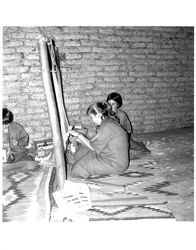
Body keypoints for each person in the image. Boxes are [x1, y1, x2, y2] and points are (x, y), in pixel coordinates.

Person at [67, 102, 129, 178]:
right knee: (82, 151)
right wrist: (81, 138)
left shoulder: (107, 127)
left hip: (115, 163)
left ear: (99, 115)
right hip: (109, 155)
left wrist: (79, 135)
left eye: (92, 117)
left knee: (79, 167)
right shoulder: (107, 121)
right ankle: (72, 161)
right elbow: (94, 139)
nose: (91, 120)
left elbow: (93, 147)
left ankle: (85, 184)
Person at [106, 92, 151, 159]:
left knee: (143, 152)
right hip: (112, 137)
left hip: (123, 137)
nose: (110, 106)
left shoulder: (121, 115)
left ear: (118, 104)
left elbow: (122, 133)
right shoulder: (107, 113)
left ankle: (137, 147)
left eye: (113, 104)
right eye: (109, 103)